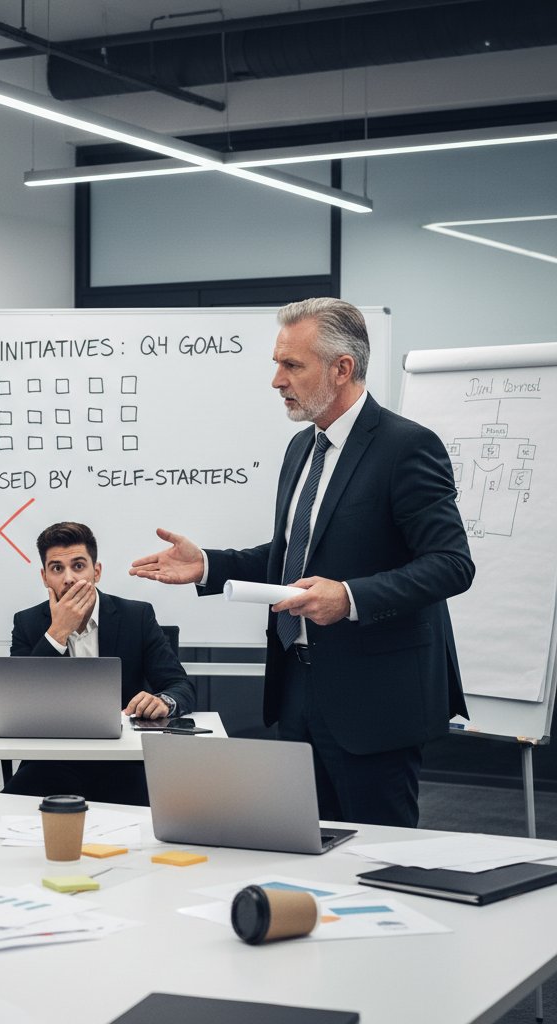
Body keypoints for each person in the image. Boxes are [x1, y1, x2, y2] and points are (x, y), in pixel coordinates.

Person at [130, 298, 474, 828]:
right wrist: (208, 566)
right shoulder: (300, 449)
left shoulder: (407, 447)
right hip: (297, 691)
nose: (276, 380)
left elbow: (452, 563)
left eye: (292, 365)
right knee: (308, 855)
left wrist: (351, 597)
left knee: (376, 863)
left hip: (375, 703)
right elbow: (291, 556)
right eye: (277, 363)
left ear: (342, 368)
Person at [2, 521, 195, 806]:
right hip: (51, 761)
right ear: (44, 577)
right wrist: (57, 633)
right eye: (57, 569)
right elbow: (16, 701)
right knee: (2, 813)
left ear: (97, 571)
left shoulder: (136, 617)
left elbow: (181, 685)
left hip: (122, 760)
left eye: (78, 566)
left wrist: (164, 701)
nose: (68, 578)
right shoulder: (28, 623)